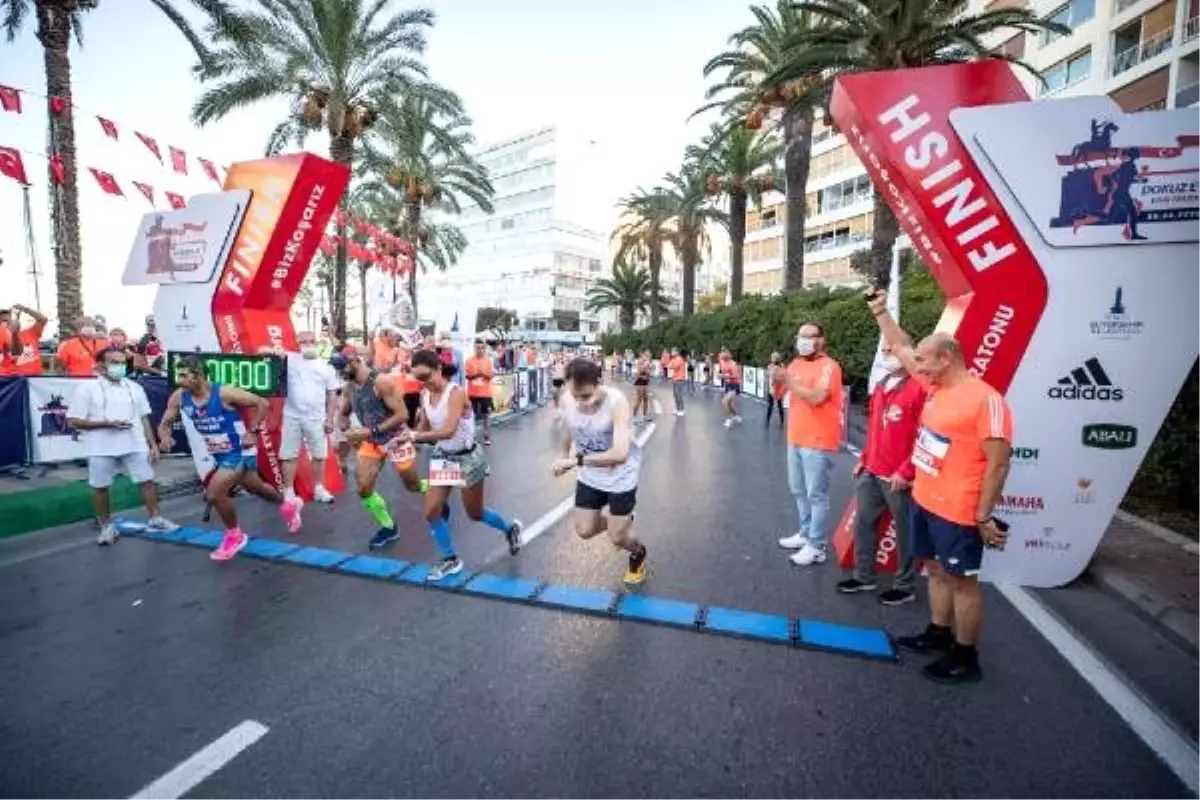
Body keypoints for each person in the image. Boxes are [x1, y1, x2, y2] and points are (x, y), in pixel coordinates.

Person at [868, 291, 1013, 684]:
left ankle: (966, 658)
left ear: (946, 359)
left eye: (925, 361)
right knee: (933, 570)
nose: (918, 367)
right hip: (925, 502)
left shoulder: (986, 400)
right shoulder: (936, 388)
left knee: (963, 583)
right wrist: (880, 310)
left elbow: (999, 463)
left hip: (959, 512)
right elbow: (899, 344)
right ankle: (937, 632)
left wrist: (982, 515)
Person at [158, 355, 292, 561]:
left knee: (214, 494)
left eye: (184, 375)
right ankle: (287, 504)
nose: (180, 380)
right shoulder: (179, 397)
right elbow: (165, 423)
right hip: (218, 453)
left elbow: (262, 403)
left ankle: (235, 535)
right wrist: (165, 437)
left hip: (239, 450)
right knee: (256, 488)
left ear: (199, 376)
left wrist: (252, 432)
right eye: (178, 375)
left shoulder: (223, 392)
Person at [407, 349, 523, 580]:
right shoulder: (425, 394)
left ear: (439, 369)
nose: (423, 383)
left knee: (475, 513)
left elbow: (448, 431)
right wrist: (408, 438)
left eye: (426, 376)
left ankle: (510, 530)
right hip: (444, 458)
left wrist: (416, 438)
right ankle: (450, 559)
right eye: (418, 379)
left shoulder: (456, 393)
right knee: (431, 511)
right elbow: (424, 426)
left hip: (467, 459)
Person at [836, 340, 925, 604]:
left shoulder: (920, 388)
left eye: (892, 348)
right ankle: (864, 576)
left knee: (905, 532)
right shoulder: (880, 384)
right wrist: (864, 458)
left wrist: (907, 471)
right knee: (863, 522)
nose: (886, 353)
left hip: (899, 477)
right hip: (872, 471)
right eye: (884, 349)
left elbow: (925, 436)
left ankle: (905, 586)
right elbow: (876, 429)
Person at [552, 357, 648, 585]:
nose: (581, 403)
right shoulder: (568, 400)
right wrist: (561, 457)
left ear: (599, 382)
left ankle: (638, 552)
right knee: (584, 530)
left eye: (586, 396)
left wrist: (576, 461)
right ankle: (620, 521)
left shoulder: (616, 402)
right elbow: (567, 429)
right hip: (591, 475)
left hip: (620, 476)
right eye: (575, 397)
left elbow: (620, 453)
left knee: (618, 537)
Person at [67, 346, 175, 544]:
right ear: (100, 365)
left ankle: (155, 518)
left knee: (147, 481)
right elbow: (73, 421)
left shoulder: (135, 388)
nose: (120, 366)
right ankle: (106, 527)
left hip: (135, 443)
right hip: (100, 447)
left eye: (122, 362)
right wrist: (106, 424)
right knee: (100, 487)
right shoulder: (86, 389)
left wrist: (153, 444)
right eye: (114, 362)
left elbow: (143, 418)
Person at [333, 347, 428, 549]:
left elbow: (402, 415)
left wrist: (369, 431)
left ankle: (437, 491)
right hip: (372, 441)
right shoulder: (349, 387)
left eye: (342, 366)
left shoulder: (381, 382)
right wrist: (344, 425)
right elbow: (344, 412)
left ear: (356, 360)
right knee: (363, 487)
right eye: (337, 368)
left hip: (396, 439)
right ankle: (388, 527)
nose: (340, 371)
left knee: (413, 486)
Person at [778, 323, 844, 566]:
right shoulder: (795, 363)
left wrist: (789, 383)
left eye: (809, 336)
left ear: (821, 340)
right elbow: (783, 393)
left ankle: (817, 545)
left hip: (817, 440)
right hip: (795, 436)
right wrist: (776, 380)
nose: (803, 340)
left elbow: (817, 397)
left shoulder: (829, 366)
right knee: (798, 490)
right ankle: (805, 533)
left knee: (816, 494)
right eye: (800, 336)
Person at [280, 331, 340, 520]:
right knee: (289, 454)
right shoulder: (290, 359)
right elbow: (261, 351)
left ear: (317, 343)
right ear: (297, 344)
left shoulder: (326, 367)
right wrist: (277, 351)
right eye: (303, 342)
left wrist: (330, 419)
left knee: (319, 455)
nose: (308, 345)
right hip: (292, 416)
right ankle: (288, 492)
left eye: (311, 341)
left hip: (317, 418)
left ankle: (319, 489)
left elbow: (332, 395)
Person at [0, 303, 48, 376]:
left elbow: (42, 319)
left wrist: (24, 309)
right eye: (3, 321)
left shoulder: (30, 333)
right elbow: (15, 352)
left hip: (36, 379)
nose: (7, 323)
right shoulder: (3, 337)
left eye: (8, 320)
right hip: (15, 381)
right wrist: (14, 334)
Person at [465, 339, 496, 445]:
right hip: (472, 393)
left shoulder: (488, 361)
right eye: (478, 348)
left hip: (485, 393)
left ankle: (487, 436)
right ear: (475, 348)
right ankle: (470, 436)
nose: (480, 350)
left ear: (485, 349)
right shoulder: (469, 361)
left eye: (482, 348)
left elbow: (491, 376)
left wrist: (483, 374)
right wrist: (476, 375)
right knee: (470, 416)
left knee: (486, 415)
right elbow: (467, 376)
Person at [718, 350, 743, 427]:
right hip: (728, 385)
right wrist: (719, 374)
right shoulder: (721, 361)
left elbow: (736, 376)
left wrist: (723, 376)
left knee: (725, 401)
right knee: (729, 404)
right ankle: (735, 416)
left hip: (734, 384)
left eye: (722, 357)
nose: (721, 358)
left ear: (727, 357)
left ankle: (729, 420)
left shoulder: (733, 364)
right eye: (720, 357)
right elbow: (720, 370)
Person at [764, 352, 786, 427]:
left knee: (780, 405)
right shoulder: (769, 366)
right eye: (771, 357)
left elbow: (784, 375)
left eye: (773, 357)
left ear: (776, 358)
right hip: (771, 387)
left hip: (778, 387)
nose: (771, 358)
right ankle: (767, 421)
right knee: (770, 405)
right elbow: (767, 375)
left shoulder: (782, 366)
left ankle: (782, 421)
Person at [632, 351, 652, 420]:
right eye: (647, 355)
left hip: (645, 383)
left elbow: (649, 373)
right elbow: (637, 374)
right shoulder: (640, 362)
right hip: (640, 383)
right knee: (639, 399)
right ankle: (634, 416)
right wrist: (644, 373)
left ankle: (645, 416)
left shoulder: (648, 363)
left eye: (649, 356)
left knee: (646, 399)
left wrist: (648, 372)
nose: (648, 357)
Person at [668, 347, 687, 416]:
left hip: (680, 379)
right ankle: (677, 408)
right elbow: (669, 366)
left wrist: (671, 364)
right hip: (675, 378)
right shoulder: (674, 359)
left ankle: (681, 409)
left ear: (676, 352)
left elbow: (674, 366)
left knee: (679, 395)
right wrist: (671, 364)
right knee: (675, 395)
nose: (671, 352)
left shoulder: (679, 359)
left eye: (673, 351)